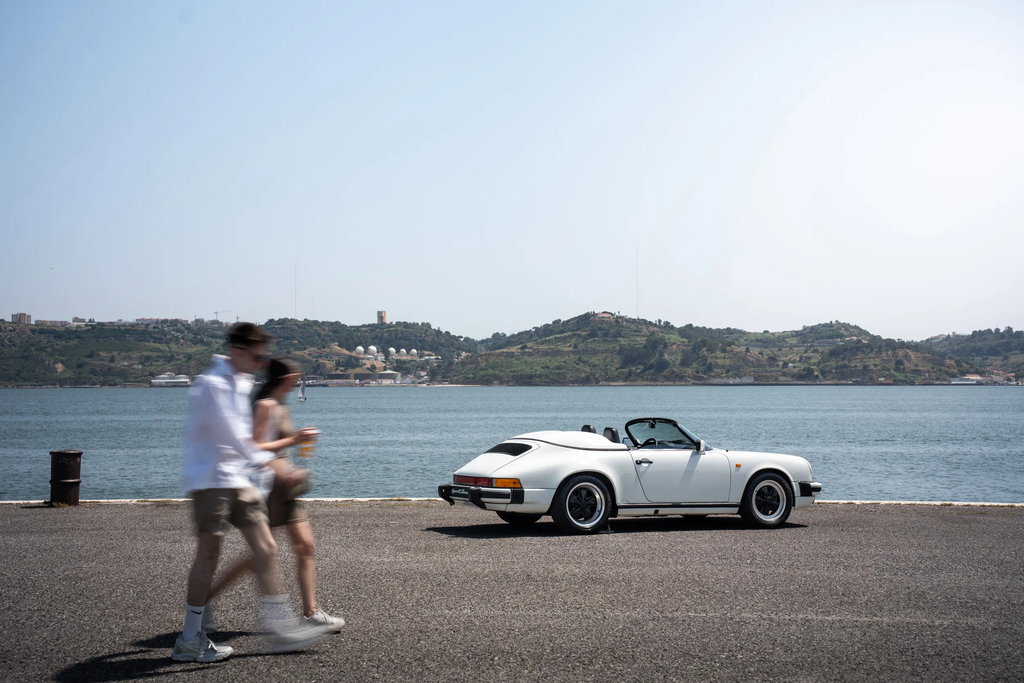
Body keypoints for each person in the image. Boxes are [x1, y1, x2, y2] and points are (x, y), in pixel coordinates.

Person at [172, 323, 335, 663]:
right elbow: (239, 440)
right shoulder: (213, 385)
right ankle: (190, 638)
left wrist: (274, 466)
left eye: (264, 358)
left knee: (266, 548)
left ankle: (281, 630)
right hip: (210, 479)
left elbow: (245, 444)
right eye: (258, 356)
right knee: (208, 557)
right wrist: (281, 467)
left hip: (237, 478)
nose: (263, 365)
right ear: (237, 351)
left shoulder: (240, 381)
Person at [204, 357, 344, 631]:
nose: (298, 379)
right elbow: (255, 446)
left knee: (305, 547)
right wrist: (295, 440)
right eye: (295, 375)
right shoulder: (265, 405)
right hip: (269, 489)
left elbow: (277, 449)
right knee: (258, 555)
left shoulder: (280, 406)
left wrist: (292, 466)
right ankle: (203, 601)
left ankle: (310, 613)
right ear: (284, 378)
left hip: (285, 487)